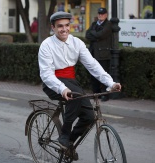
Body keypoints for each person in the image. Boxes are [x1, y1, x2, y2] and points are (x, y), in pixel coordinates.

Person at [38, 11, 121, 150]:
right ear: (53, 27)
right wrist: (62, 88)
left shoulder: (77, 43)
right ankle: (64, 135)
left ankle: (68, 143)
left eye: (66, 25)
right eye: (60, 26)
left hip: (71, 82)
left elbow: (92, 65)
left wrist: (110, 83)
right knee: (74, 95)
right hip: (52, 83)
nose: (64, 29)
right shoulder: (46, 45)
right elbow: (46, 74)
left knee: (89, 117)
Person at [85, 7, 112, 102]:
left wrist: (94, 34)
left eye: (102, 14)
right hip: (93, 53)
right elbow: (87, 35)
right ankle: (96, 93)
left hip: (103, 54)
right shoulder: (94, 23)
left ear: (106, 15)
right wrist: (95, 35)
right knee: (94, 75)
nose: (100, 15)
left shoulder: (108, 25)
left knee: (104, 74)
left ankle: (105, 94)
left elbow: (101, 35)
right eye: (99, 14)